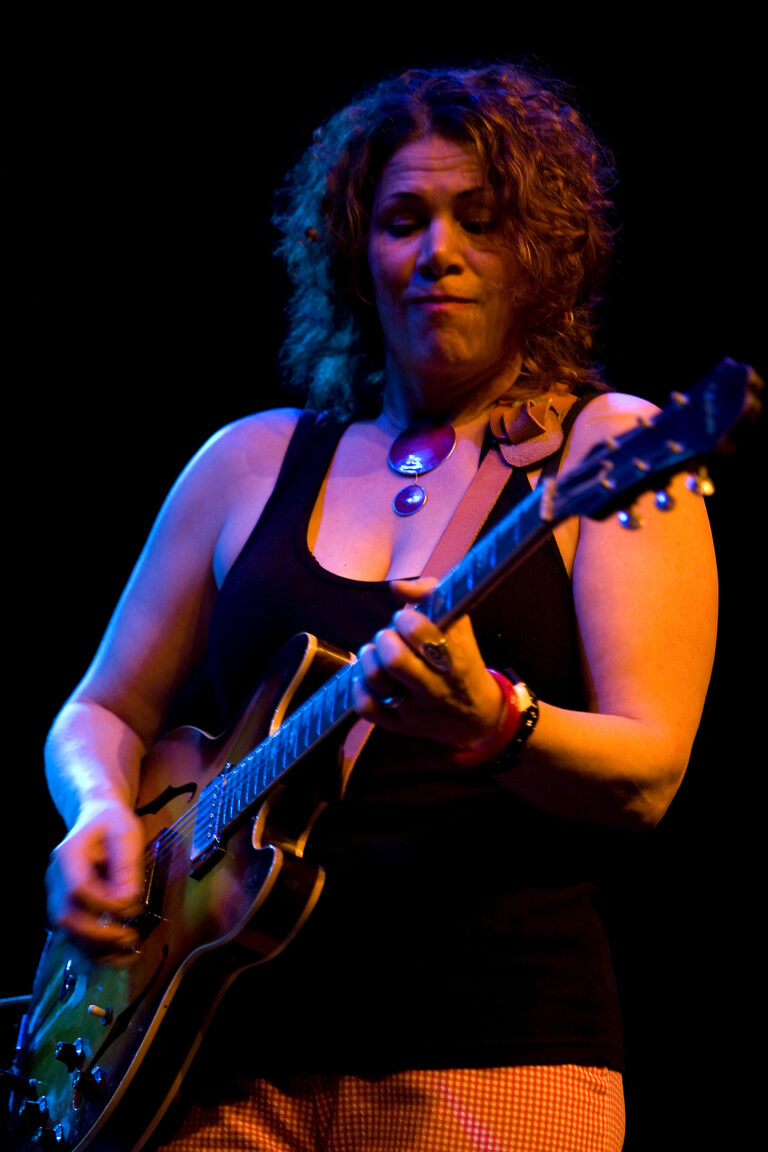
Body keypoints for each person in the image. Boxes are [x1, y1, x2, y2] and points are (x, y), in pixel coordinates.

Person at [42, 62, 718, 1151]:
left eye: (479, 220)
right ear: (355, 250)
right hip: (209, 1063)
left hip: (495, 1051)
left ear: (539, 251)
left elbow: (650, 774)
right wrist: (100, 814)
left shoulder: (609, 451)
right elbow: (103, 715)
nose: (436, 250)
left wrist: (492, 723)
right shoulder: (250, 460)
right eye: (403, 218)